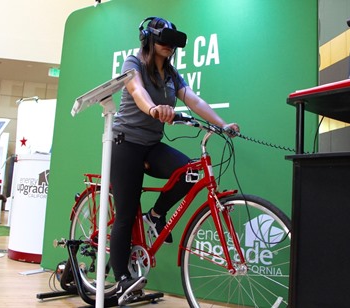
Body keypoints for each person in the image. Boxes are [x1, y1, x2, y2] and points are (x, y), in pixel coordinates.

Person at [110, 16, 240, 305]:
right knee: (126, 212)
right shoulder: (133, 63)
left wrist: (222, 124)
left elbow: (193, 99)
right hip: (126, 143)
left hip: (151, 145)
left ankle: (155, 217)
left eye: (172, 42)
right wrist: (154, 108)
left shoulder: (171, 74)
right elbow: (137, 92)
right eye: (163, 40)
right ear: (149, 40)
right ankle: (121, 278)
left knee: (189, 171)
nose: (169, 46)